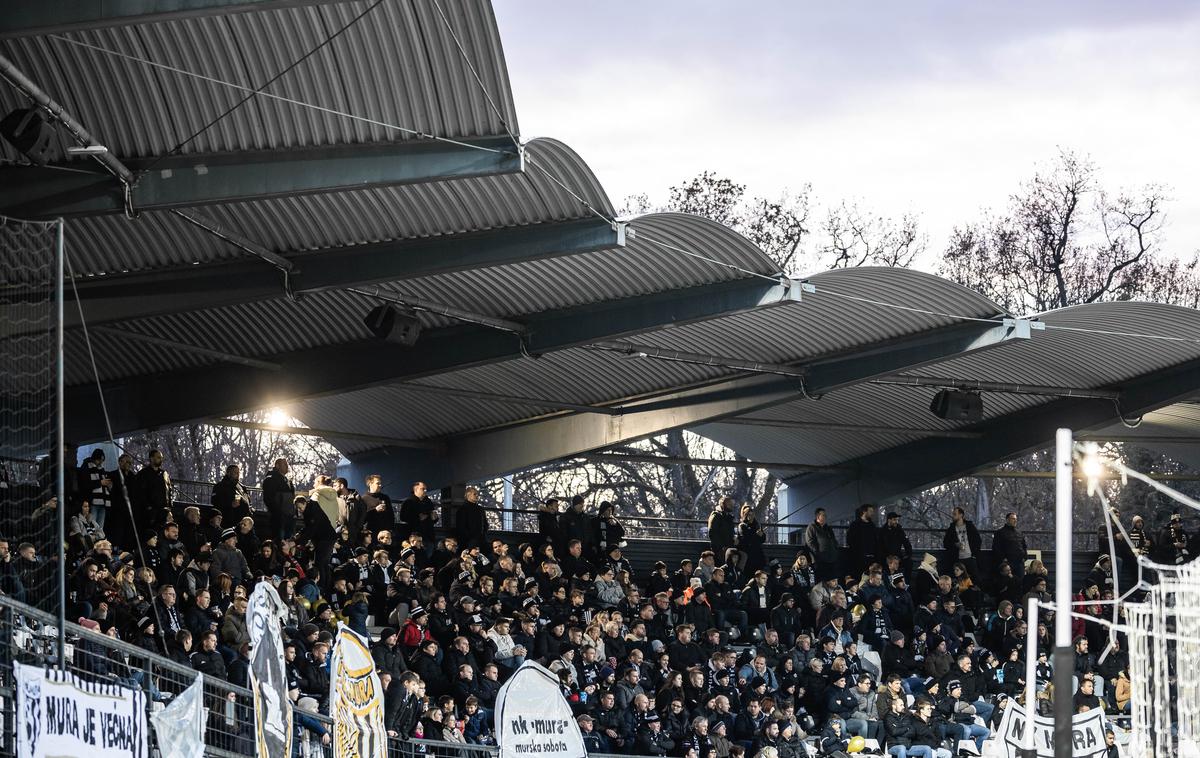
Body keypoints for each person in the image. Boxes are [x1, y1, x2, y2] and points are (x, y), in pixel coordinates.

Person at [261, 458, 295, 545]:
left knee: (288, 541)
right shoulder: (270, 479)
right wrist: (278, 512)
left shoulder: (287, 480)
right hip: (279, 518)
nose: (287, 467)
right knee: (279, 542)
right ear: (277, 466)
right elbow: (268, 499)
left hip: (289, 517)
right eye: (285, 464)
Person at [941, 507, 981, 582]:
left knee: (976, 579)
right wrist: (955, 545)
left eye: (955, 514)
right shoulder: (951, 528)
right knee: (958, 580)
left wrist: (974, 554)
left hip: (970, 557)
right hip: (957, 559)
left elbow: (978, 540)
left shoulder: (969, 526)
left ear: (961, 515)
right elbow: (945, 543)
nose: (953, 516)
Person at [77, 448, 113, 529]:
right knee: (92, 526)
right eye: (99, 460)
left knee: (100, 528)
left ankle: (99, 540)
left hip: (103, 502)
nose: (100, 462)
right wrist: (100, 482)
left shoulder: (101, 468)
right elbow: (85, 484)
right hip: (92, 501)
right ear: (94, 458)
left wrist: (108, 485)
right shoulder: (86, 466)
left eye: (102, 460)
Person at [804, 508, 840, 580]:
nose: (825, 517)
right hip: (820, 561)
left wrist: (835, 550)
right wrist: (819, 554)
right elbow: (810, 543)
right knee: (821, 579)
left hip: (832, 559)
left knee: (831, 579)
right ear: (818, 517)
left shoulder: (828, 528)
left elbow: (834, 540)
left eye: (825, 515)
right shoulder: (812, 527)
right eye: (823, 515)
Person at [992, 512, 1027, 581]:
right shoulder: (1000, 532)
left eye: (1016, 519)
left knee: (1020, 581)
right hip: (1008, 562)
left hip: (1019, 562)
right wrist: (1003, 559)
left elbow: (1024, 546)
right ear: (1007, 520)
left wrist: (1025, 556)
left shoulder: (1019, 533)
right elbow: (996, 547)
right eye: (1013, 519)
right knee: (1007, 581)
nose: (1015, 521)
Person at [846, 504, 879, 577]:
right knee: (859, 577)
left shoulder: (872, 525)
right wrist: (858, 553)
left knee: (870, 577)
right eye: (870, 511)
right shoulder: (855, 525)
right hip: (859, 558)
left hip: (871, 557)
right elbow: (850, 540)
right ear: (864, 511)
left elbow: (876, 541)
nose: (872, 513)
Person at [454, 486, 488, 550]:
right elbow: (461, 527)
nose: (477, 496)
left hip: (481, 540)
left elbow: (485, 524)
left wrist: (483, 535)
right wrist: (470, 538)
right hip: (468, 541)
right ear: (468, 495)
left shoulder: (480, 509)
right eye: (474, 494)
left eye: (477, 494)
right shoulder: (462, 509)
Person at [737, 504, 767, 575]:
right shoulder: (742, 525)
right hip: (748, 552)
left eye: (752, 514)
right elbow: (746, 537)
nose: (751, 516)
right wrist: (755, 534)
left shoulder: (757, 525)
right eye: (748, 514)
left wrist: (762, 535)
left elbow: (762, 539)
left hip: (758, 553)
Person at [708, 497, 737, 565]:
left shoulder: (728, 517)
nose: (731, 506)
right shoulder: (716, 516)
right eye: (729, 504)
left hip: (728, 547)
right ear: (722, 504)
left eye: (731, 504)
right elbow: (712, 533)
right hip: (719, 549)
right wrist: (721, 547)